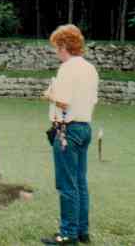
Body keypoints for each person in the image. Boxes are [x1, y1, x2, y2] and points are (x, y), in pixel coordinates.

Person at [41, 24, 99, 245]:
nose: (55, 51)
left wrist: (49, 94)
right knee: (80, 183)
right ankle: (82, 231)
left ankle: (67, 234)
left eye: (56, 46)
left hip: (68, 130)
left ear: (63, 45)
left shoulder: (67, 69)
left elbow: (64, 100)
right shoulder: (90, 68)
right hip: (84, 128)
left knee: (67, 185)